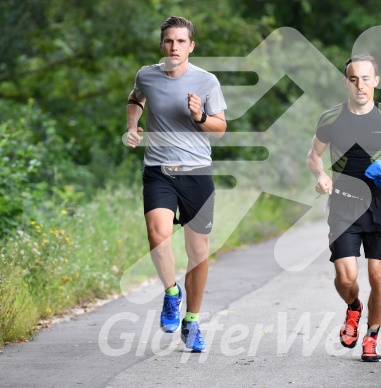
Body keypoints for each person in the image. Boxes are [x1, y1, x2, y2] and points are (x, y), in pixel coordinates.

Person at [125, 16, 227, 353]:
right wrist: (133, 125)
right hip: (158, 170)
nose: (174, 47)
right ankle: (171, 294)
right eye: (169, 41)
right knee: (158, 236)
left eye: (181, 41)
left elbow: (221, 128)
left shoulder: (206, 81)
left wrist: (199, 116)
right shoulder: (147, 75)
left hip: (196, 172)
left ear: (191, 46)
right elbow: (136, 98)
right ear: (162, 45)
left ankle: (192, 321)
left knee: (198, 253)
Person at [307, 54, 381, 362]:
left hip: (378, 203)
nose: (360, 85)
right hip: (342, 202)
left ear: (376, 81)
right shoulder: (331, 118)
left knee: (378, 276)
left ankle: (372, 335)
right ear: (346, 82)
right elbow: (313, 156)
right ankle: (354, 308)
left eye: (366, 79)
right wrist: (321, 174)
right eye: (354, 79)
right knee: (346, 278)